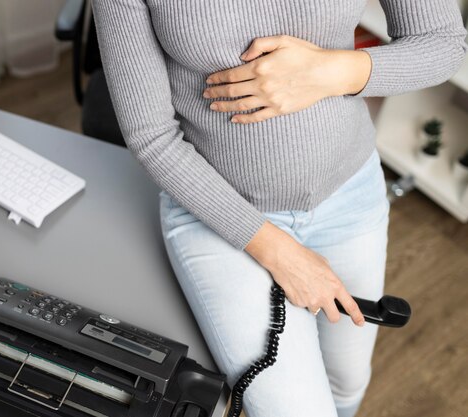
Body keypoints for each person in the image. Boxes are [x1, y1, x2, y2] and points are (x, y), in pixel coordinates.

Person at [90, 1, 467, 416]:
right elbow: (151, 137)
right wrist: (278, 251)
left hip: (350, 196)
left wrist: (325, 73)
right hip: (218, 214)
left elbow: (444, 44)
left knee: (347, 383)